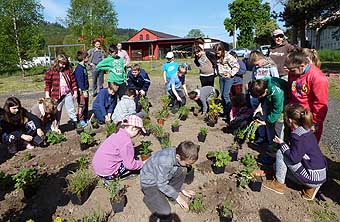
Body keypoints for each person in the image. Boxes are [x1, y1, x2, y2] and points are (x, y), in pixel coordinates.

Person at [263, 104, 327, 201]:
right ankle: (310, 189)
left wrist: (282, 144)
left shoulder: (297, 136)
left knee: (281, 152)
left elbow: (294, 158)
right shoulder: (308, 131)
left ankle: (278, 185)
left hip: (311, 177)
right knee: (276, 166)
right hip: (320, 176)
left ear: (289, 120)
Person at [140, 140, 200, 222]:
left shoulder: (177, 153)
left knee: (183, 169)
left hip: (162, 177)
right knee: (166, 211)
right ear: (178, 157)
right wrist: (177, 197)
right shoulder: (165, 162)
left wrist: (182, 189)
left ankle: (170, 195)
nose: (188, 165)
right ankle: (149, 197)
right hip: (150, 183)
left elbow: (173, 171)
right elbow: (161, 184)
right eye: (187, 163)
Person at [286, 50, 328, 142]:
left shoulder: (317, 77)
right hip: (295, 115)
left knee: (308, 147)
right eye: (289, 70)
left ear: (302, 65)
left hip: (308, 118)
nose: (290, 73)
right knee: (297, 144)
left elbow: (321, 103)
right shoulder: (292, 72)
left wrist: (315, 122)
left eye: (292, 70)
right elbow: (291, 91)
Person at [92, 115, 145, 180]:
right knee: (131, 163)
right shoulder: (126, 142)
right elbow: (130, 165)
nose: (138, 134)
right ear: (133, 128)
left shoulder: (117, 134)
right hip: (108, 173)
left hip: (98, 168)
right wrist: (142, 164)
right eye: (138, 131)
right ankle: (117, 177)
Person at [249, 77, 287, 152]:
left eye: (260, 96)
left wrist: (266, 121)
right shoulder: (260, 84)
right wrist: (259, 106)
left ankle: (279, 147)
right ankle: (271, 143)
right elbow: (262, 98)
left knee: (278, 124)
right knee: (269, 120)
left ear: (266, 91)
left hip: (284, 101)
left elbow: (277, 110)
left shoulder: (277, 92)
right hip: (271, 99)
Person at [44, 54, 78, 127]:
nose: (63, 66)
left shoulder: (68, 71)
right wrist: (47, 95)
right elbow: (47, 84)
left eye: (65, 64)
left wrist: (75, 92)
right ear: (57, 62)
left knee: (71, 108)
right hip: (56, 95)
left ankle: (75, 122)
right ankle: (56, 126)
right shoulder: (51, 71)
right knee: (57, 110)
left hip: (68, 93)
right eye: (61, 64)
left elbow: (73, 81)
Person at [213, 43, 240, 121]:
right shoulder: (217, 57)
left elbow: (236, 66)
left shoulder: (228, 57)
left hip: (228, 78)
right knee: (222, 96)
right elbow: (217, 66)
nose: (217, 54)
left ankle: (229, 114)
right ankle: (225, 112)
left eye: (218, 53)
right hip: (221, 78)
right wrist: (216, 73)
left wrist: (230, 73)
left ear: (222, 50)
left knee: (225, 95)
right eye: (216, 53)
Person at [74, 50, 90, 127]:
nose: (88, 58)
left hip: (85, 89)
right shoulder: (79, 69)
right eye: (87, 57)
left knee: (86, 104)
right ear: (84, 58)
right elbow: (80, 81)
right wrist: (83, 90)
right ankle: (80, 119)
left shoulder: (84, 67)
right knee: (82, 104)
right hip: (82, 90)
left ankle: (86, 117)